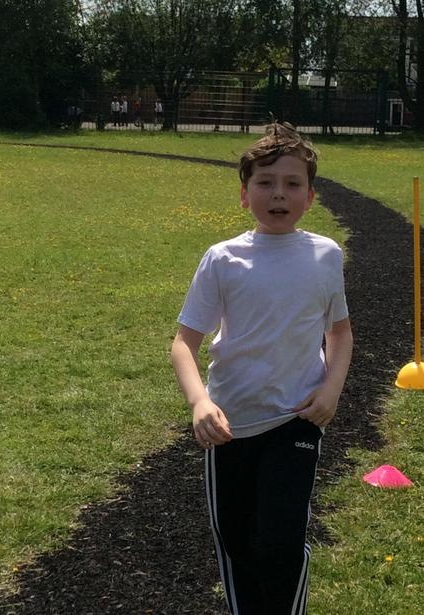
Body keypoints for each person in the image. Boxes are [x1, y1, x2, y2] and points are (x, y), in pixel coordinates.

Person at [171, 122, 353, 615]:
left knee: (279, 542)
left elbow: (340, 333)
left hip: (296, 418)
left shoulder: (325, 255)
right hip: (229, 425)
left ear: (310, 197)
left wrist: (331, 389)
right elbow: (184, 343)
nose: (278, 194)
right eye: (265, 183)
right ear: (244, 194)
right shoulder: (223, 259)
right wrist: (200, 402)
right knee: (237, 541)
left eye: (292, 184)